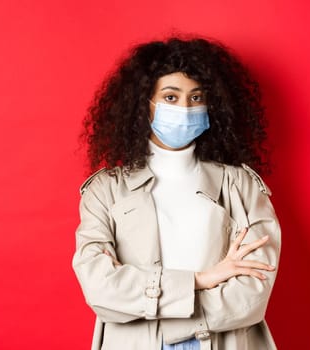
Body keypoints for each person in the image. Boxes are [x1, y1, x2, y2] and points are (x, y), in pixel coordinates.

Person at [72, 36, 281, 350]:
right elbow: (100, 288)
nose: (185, 108)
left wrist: (148, 303)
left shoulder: (242, 186)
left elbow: (251, 294)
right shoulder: (105, 191)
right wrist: (200, 280)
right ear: (146, 104)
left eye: (196, 97)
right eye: (171, 97)